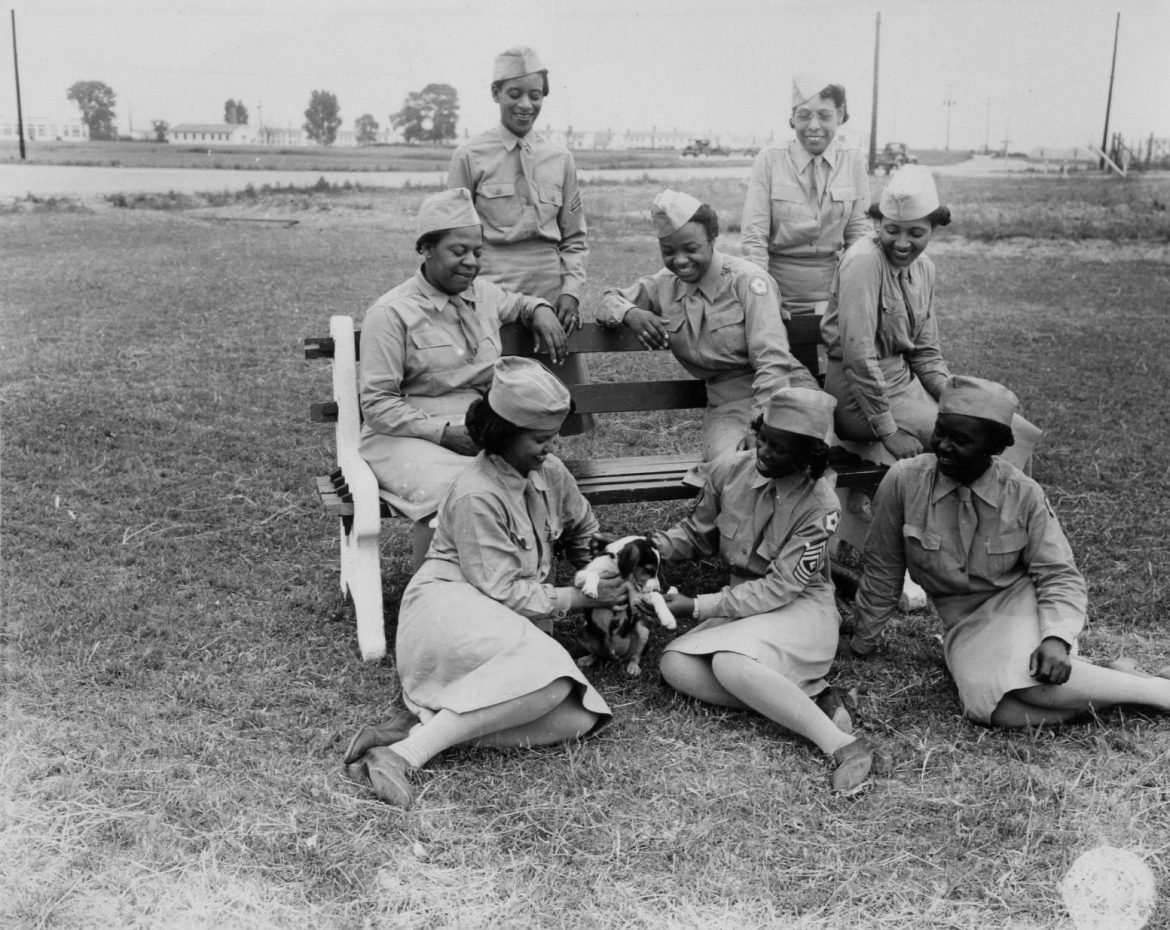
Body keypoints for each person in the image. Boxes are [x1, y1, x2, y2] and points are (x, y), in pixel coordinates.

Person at [344, 357, 625, 807]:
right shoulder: (478, 492)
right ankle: (402, 755)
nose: (551, 447)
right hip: (451, 606)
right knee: (552, 681)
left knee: (577, 716)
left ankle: (425, 725)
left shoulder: (548, 471)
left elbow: (582, 526)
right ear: (503, 435)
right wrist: (582, 599)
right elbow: (504, 592)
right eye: (539, 439)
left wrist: (597, 568)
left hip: (498, 618)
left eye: (553, 436)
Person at [841, 376, 1170, 728]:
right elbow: (882, 568)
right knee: (995, 711)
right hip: (963, 624)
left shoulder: (1023, 494)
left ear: (995, 447)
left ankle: (1159, 695)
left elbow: (1058, 574)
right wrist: (863, 640)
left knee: (1028, 683)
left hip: (1018, 605)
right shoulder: (903, 481)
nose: (944, 447)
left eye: (962, 440)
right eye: (941, 432)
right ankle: (1127, 683)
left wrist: (1056, 638)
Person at [651, 387, 885, 792]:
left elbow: (781, 588)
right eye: (763, 438)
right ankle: (809, 698)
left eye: (780, 448)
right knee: (675, 665)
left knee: (727, 662)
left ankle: (845, 745)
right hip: (747, 607)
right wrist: (647, 552)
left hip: (800, 608)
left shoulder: (821, 504)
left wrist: (696, 606)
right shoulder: (730, 470)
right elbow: (695, 534)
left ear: (808, 456)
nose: (764, 452)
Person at [358, 188, 568, 567]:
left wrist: (538, 308)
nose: (471, 262)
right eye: (458, 251)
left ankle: (520, 585)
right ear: (426, 249)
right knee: (456, 487)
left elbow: (517, 302)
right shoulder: (391, 314)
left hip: (478, 425)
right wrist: (443, 432)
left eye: (478, 252)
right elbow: (377, 404)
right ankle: (440, 599)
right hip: (406, 435)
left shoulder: (483, 295)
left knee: (541, 473)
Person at [820, 165, 1039, 467]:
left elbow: (925, 352)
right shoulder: (863, 261)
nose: (901, 243)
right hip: (860, 400)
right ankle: (979, 511)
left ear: (933, 229)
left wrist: (954, 396)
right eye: (891, 229)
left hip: (907, 387)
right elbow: (857, 358)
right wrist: (889, 430)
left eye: (916, 232)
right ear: (878, 224)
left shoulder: (925, 269)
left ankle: (1011, 511)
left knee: (1014, 429)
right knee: (977, 439)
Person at [598, 189, 819, 463]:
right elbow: (608, 300)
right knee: (728, 466)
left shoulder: (747, 281)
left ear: (713, 240)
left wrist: (761, 425)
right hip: (726, 405)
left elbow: (772, 361)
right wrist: (630, 312)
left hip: (784, 394)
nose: (679, 260)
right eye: (668, 251)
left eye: (691, 249)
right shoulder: (664, 285)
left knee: (782, 462)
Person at [447, 45, 594, 435]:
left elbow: (575, 237)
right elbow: (453, 239)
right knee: (493, 415)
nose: (526, 104)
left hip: (551, 298)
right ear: (495, 93)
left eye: (536, 95)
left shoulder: (560, 159)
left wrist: (572, 292)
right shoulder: (470, 156)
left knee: (550, 415)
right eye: (515, 94)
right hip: (490, 297)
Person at [740, 75, 872, 318]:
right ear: (792, 117)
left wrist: (851, 295)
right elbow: (753, 239)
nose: (813, 126)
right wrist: (763, 298)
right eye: (803, 115)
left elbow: (859, 235)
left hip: (835, 290)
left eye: (824, 115)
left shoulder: (853, 159)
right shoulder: (769, 160)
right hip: (776, 289)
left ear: (840, 114)